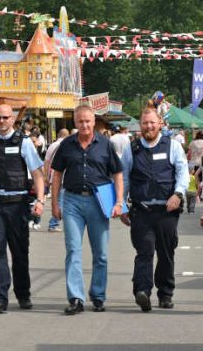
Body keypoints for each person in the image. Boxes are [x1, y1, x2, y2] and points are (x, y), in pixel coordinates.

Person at [50, 105, 124, 315]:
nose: (84, 125)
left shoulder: (105, 145)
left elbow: (117, 173)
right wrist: (55, 203)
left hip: (98, 202)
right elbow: (57, 174)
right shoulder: (66, 145)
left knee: (100, 253)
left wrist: (119, 202)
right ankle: (76, 298)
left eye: (88, 121)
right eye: (80, 121)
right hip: (72, 200)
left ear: (94, 122)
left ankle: (98, 295)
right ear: (75, 123)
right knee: (73, 250)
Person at [0, 104, 45, 314]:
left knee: (20, 251)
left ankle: (23, 293)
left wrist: (40, 200)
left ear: (13, 119)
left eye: (5, 118)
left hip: (17, 203)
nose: (2, 122)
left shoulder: (24, 143)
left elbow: (38, 173)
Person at [120, 107, 189, 312]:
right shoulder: (131, 149)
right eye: (144, 123)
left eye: (152, 123)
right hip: (141, 211)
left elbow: (183, 173)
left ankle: (165, 293)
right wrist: (121, 204)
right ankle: (142, 291)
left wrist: (178, 194)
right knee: (144, 251)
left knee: (166, 253)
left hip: (167, 211)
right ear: (139, 125)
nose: (149, 126)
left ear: (160, 123)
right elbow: (123, 178)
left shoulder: (173, 146)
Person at [44, 128, 70, 232]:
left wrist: (46, 176)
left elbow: (46, 162)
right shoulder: (68, 145)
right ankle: (53, 223)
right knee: (61, 200)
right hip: (64, 177)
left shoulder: (52, 146)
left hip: (53, 176)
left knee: (58, 198)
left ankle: (56, 221)